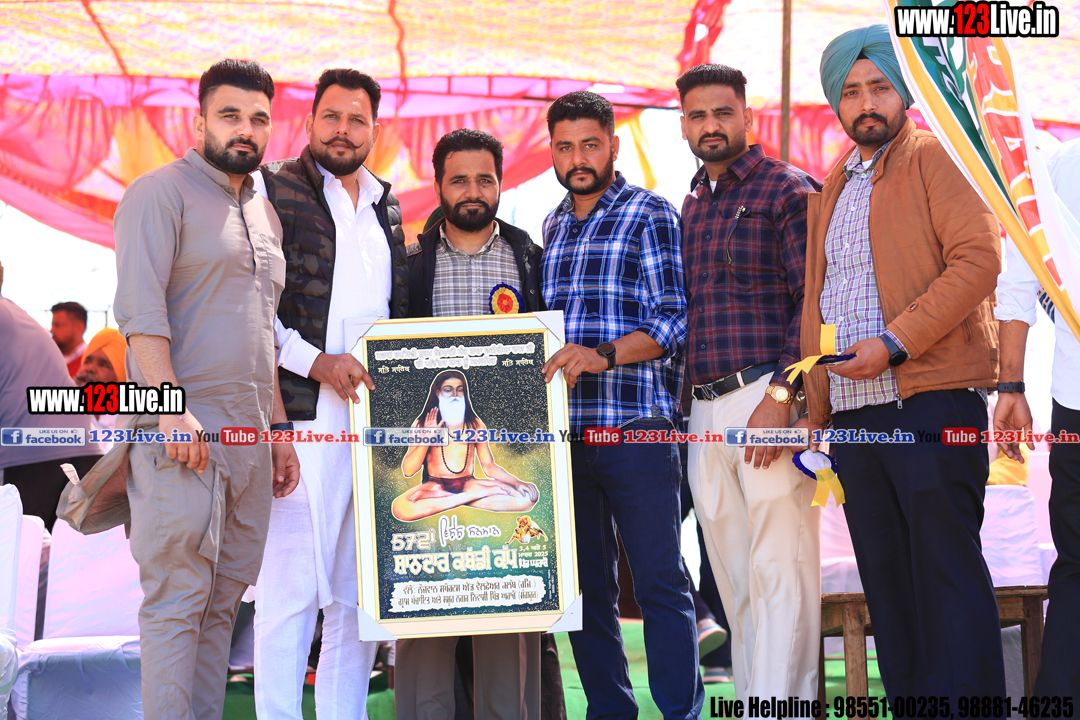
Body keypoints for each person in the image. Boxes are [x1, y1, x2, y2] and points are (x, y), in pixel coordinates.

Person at [803, 25, 1004, 700]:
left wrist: (893, 343)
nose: (866, 103)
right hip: (855, 418)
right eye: (851, 91)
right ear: (836, 101)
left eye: (879, 87)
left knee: (946, 579)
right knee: (889, 591)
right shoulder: (835, 181)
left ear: (904, 92)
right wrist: (816, 406)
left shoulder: (938, 156)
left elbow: (979, 260)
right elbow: (820, 297)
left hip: (930, 398)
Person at [106, 58, 300, 720]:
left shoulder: (265, 213)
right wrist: (169, 409)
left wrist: (277, 430)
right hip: (180, 435)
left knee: (223, 603)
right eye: (230, 115)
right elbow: (140, 314)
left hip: (249, 441)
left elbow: (263, 331)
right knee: (177, 600)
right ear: (199, 124)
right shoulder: (158, 193)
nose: (246, 129)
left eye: (258, 118)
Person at [540, 90, 703, 720]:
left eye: (590, 144)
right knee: (585, 590)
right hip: (567, 437)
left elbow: (674, 320)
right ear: (553, 152)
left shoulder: (650, 213)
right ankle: (610, 711)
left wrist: (601, 356)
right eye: (565, 147)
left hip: (636, 428)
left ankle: (680, 711)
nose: (578, 158)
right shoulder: (552, 226)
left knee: (660, 581)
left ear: (613, 144)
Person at [251, 67, 408, 720]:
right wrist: (316, 363)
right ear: (311, 121)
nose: (343, 130)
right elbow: (251, 307)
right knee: (288, 593)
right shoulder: (270, 190)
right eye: (332, 116)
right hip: (299, 422)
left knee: (356, 597)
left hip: (372, 434)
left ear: (375, 128)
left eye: (357, 119)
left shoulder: (386, 206)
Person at [676, 63, 822, 699]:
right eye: (698, 115)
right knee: (735, 579)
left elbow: (813, 303)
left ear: (747, 116)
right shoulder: (691, 204)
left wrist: (783, 396)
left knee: (780, 571)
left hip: (766, 398)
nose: (711, 125)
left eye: (722, 112)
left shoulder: (786, 189)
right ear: (684, 125)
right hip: (703, 410)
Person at [395, 128, 552, 720]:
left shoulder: (529, 258)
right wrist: (422, 440)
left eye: (484, 179)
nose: (472, 190)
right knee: (422, 622)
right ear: (439, 185)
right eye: (458, 179)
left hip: (485, 482)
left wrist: (513, 482)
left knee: (509, 618)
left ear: (500, 183)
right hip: (433, 495)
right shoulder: (409, 266)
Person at [993, 136, 1080, 693]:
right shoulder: (1051, 168)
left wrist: (1011, 385)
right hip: (1073, 398)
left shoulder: (1050, 169)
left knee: (1076, 565)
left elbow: (1018, 287)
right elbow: (1019, 285)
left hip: (1074, 399)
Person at [0, 271, 102, 530]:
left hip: (34, 453)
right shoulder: (16, 316)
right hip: (73, 448)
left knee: (20, 547)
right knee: (57, 550)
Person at [395, 370, 538, 521]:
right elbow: (408, 470)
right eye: (448, 390)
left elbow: (489, 466)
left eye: (460, 390)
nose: (455, 395)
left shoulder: (475, 425)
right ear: (438, 393)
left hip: (468, 483)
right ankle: (469, 497)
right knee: (400, 508)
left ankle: (455, 499)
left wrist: (516, 482)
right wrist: (427, 438)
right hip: (435, 486)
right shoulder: (422, 423)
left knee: (526, 499)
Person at [74, 327, 128, 442]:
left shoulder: (131, 426)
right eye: (87, 361)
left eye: (103, 364)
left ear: (122, 376)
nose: (90, 368)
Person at [50, 301, 87, 377]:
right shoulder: (51, 359)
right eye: (52, 325)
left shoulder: (91, 364)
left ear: (79, 328)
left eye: (57, 325)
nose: (52, 330)